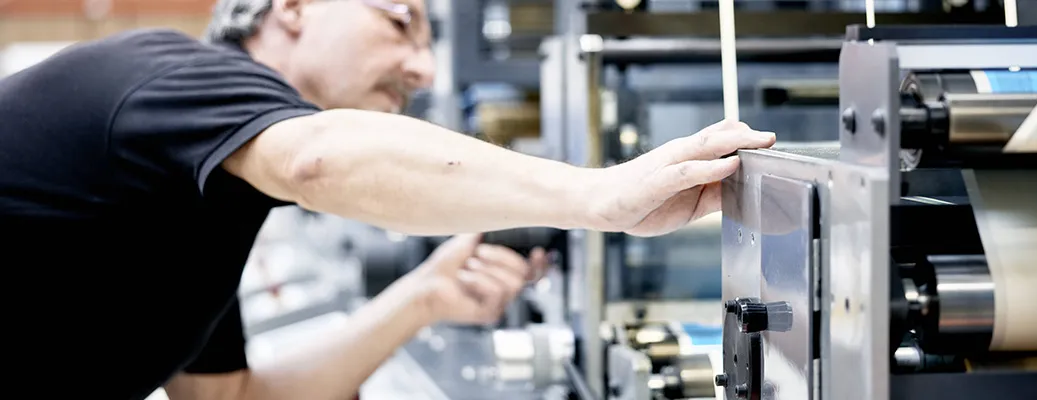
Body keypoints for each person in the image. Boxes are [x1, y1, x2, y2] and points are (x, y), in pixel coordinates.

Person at [0, 0, 776, 398]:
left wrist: (424, 299)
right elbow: (316, 157)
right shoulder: (172, 72)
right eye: (401, 21)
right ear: (292, 6)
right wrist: (600, 194)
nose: (425, 70)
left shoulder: (196, 204)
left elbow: (228, 399)